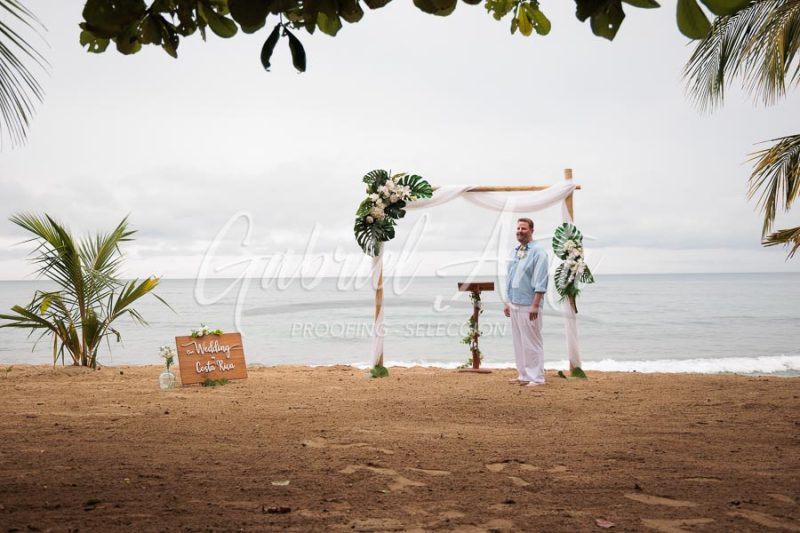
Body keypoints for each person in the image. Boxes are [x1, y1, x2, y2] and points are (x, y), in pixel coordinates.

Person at [503, 217, 549, 387]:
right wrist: (507, 302)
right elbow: (510, 279)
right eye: (518, 228)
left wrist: (535, 305)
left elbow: (541, 281)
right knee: (519, 341)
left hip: (529, 304)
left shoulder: (539, 252)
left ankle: (537, 378)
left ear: (531, 230)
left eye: (523, 228)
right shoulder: (515, 251)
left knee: (532, 341)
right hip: (515, 302)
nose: (520, 231)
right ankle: (523, 374)